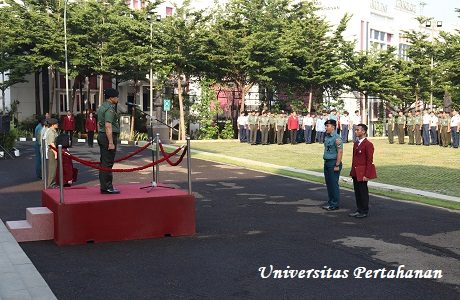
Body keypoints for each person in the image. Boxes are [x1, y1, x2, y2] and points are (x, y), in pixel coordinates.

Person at [349, 124, 376, 219]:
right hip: (356, 171)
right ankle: (359, 209)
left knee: (363, 191)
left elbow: (369, 160)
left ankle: (364, 210)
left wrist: (367, 174)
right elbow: (354, 159)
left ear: (363, 131)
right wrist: (352, 171)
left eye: (358, 130)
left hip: (362, 171)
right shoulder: (356, 143)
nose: (356, 131)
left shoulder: (368, 144)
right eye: (355, 130)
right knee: (357, 191)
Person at [97, 88, 120, 194]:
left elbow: (99, 124)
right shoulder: (109, 109)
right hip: (108, 137)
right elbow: (108, 125)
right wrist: (110, 142)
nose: (117, 98)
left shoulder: (102, 106)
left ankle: (104, 186)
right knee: (107, 163)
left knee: (104, 162)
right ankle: (107, 187)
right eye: (116, 97)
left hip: (102, 135)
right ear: (111, 98)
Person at [322, 119, 343, 211]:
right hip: (327, 162)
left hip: (333, 162)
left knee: (333, 184)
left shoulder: (337, 138)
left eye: (327, 126)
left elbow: (340, 151)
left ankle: (335, 204)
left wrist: (337, 165)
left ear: (333, 127)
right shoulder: (327, 136)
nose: (326, 128)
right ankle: (331, 202)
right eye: (325, 126)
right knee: (329, 184)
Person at [45, 118, 59, 188]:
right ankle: (50, 184)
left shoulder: (53, 131)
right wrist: (56, 153)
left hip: (53, 151)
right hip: (52, 151)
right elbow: (51, 143)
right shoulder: (51, 132)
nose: (57, 125)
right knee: (52, 169)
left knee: (54, 168)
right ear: (53, 125)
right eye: (56, 124)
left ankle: (53, 183)